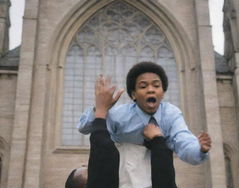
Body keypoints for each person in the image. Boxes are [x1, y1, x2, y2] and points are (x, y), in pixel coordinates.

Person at [77, 61, 211, 165]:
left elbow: (183, 141)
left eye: (156, 86)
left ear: (163, 93)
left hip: (156, 177)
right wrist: (101, 108)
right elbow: (84, 128)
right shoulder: (120, 115)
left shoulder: (171, 114)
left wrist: (199, 149)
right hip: (121, 174)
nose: (151, 90)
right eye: (143, 86)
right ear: (133, 95)